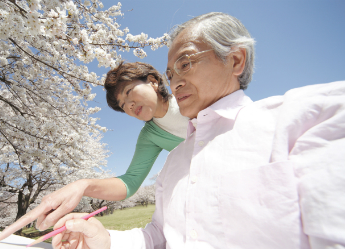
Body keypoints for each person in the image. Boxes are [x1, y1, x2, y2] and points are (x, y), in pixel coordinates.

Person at [49, 12, 345, 249]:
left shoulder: (301, 119)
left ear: (236, 60)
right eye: (122, 105)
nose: (176, 81)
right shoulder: (168, 158)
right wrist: (91, 199)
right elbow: (142, 205)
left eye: (186, 64)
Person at [0, 62, 189, 241]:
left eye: (129, 91)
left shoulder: (191, 96)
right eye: (122, 105)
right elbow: (129, 182)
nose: (128, 104)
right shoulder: (150, 136)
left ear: (153, 82)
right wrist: (83, 185)